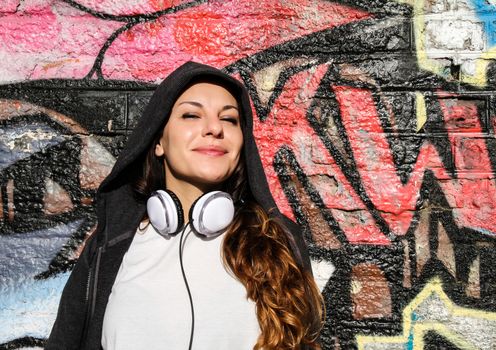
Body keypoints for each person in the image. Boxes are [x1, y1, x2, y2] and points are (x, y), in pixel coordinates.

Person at [45, 62, 324, 349]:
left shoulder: (277, 241)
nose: (214, 128)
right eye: (191, 115)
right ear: (158, 141)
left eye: (229, 120)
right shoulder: (109, 247)